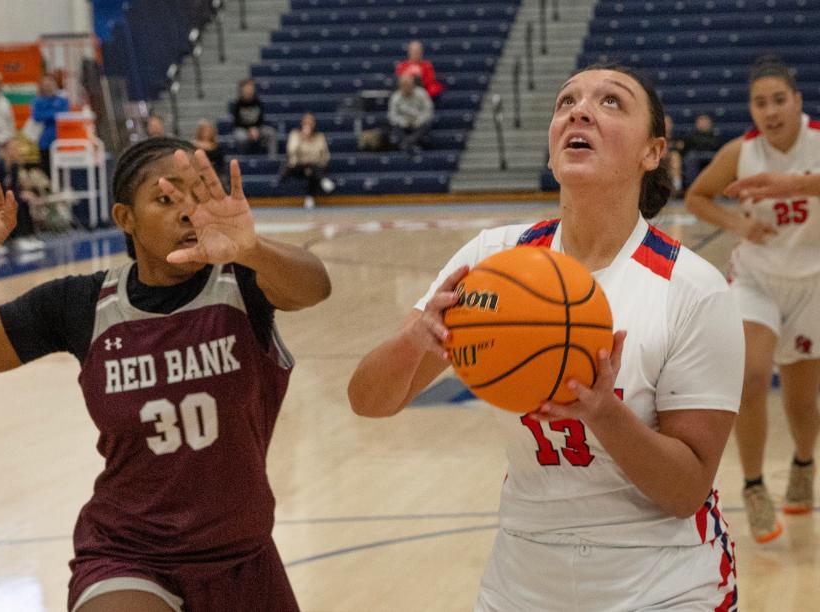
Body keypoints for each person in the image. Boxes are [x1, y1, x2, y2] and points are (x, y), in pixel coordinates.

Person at [349, 64, 743, 610]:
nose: (579, 111)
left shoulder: (693, 288)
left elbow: (684, 492)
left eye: (611, 102)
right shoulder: (492, 260)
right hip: (523, 576)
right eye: (566, 103)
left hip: (662, 580)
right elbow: (368, 401)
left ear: (653, 152)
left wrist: (604, 413)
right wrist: (417, 337)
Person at [0, 136, 331, 612]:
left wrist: (252, 249)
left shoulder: (243, 283)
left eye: (196, 195)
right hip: (128, 553)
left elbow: (315, 286)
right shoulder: (82, 305)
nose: (187, 211)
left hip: (241, 555)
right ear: (126, 218)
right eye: (166, 199)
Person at [685, 56, 820, 544]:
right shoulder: (739, 152)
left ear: (797, 102)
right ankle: (755, 485)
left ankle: (803, 464)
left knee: (803, 402)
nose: (770, 110)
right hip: (756, 278)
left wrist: (793, 185)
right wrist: (740, 225)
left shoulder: (817, 142)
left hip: (812, 284)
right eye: (760, 103)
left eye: (779, 100)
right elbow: (698, 196)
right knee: (752, 375)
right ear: (751, 109)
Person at [0, 138, 44, 252]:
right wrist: (17, 195)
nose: (17, 151)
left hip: (9, 196)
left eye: (17, 148)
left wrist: (23, 193)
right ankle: (18, 238)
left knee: (24, 201)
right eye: (14, 148)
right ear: (5, 151)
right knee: (16, 203)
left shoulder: (14, 166)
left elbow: (14, 186)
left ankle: (28, 236)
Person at [281, 113, 335, 209]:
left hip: (314, 165)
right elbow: (291, 151)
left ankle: (310, 197)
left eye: (310, 122)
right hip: (298, 166)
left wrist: (319, 163)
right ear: (302, 123)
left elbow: (325, 155)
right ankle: (322, 180)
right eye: (306, 122)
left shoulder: (319, 136)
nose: (308, 125)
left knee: (311, 171)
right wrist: (302, 138)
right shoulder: (295, 134)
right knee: (308, 170)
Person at [31, 73, 70, 176]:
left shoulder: (62, 100)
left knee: (61, 171)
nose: (48, 86)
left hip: (60, 142)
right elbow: (37, 116)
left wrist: (48, 113)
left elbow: (64, 114)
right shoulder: (38, 101)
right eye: (45, 84)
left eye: (50, 83)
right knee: (46, 170)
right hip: (45, 142)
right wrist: (53, 114)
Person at [387, 72, 434, 154]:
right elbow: (392, 115)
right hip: (403, 124)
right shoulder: (395, 97)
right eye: (404, 85)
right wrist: (403, 122)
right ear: (400, 86)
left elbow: (428, 110)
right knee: (394, 126)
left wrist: (418, 121)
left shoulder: (421, 93)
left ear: (413, 84)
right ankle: (411, 146)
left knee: (427, 124)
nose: (407, 87)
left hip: (418, 122)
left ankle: (406, 144)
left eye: (409, 84)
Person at [231, 78, 278, 158]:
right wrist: (249, 129)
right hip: (243, 130)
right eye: (247, 88)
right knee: (240, 137)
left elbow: (261, 119)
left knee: (271, 132)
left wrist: (256, 129)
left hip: (257, 128)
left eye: (251, 88)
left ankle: (272, 158)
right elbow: (237, 122)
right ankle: (244, 159)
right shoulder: (237, 104)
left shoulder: (258, 102)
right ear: (242, 90)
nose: (249, 90)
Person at [681, 113, 726, 187]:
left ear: (710, 123)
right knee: (691, 157)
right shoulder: (690, 136)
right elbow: (687, 148)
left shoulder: (717, 136)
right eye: (701, 121)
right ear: (696, 124)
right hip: (695, 156)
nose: (703, 123)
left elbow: (718, 146)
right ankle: (691, 186)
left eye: (705, 121)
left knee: (719, 158)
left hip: (712, 155)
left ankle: (718, 186)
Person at [192, 119, 225, 185]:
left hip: (214, 173)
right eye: (204, 130)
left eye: (208, 130)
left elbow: (220, 164)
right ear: (200, 131)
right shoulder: (193, 145)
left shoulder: (217, 147)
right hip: (198, 173)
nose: (206, 132)